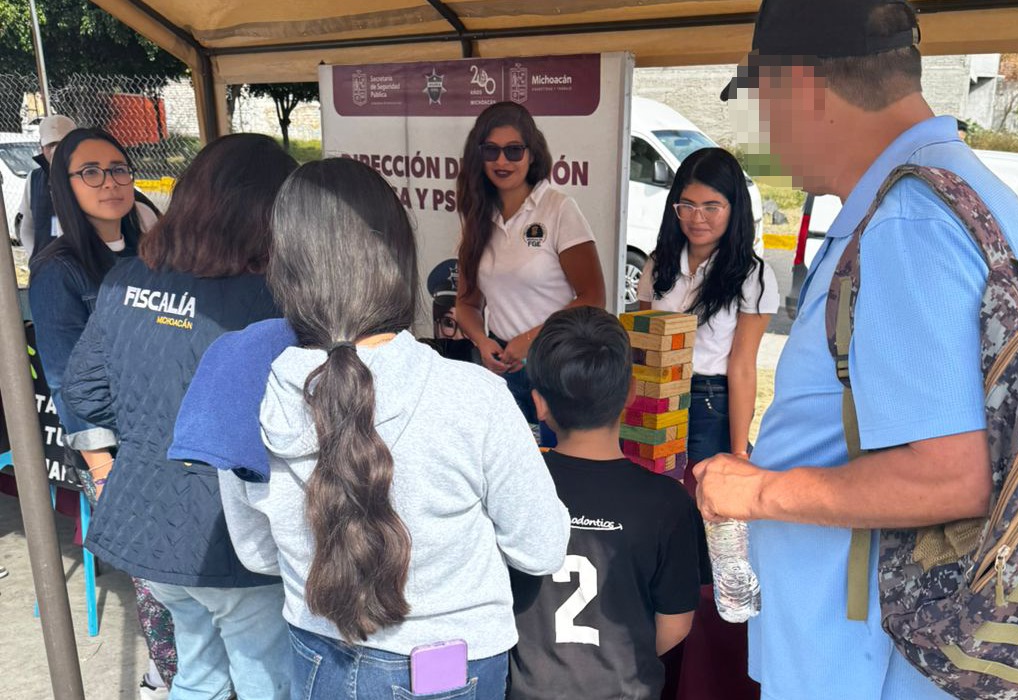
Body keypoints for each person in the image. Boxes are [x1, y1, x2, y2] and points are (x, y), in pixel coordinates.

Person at [695, 1, 1018, 699]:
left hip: (864, 657)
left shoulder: (909, 223)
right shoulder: (951, 194)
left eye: (762, 105)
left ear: (799, 88)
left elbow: (953, 474)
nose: (764, 135)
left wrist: (756, 490)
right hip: (873, 643)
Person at [214, 158, 569, 700]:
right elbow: (540, 549)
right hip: (451, 665)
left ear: (283, 266)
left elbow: (257, 554)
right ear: (398, 256)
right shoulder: (474, 396)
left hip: (317, 652)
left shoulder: (244, 392)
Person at [62, 133, 298, 700]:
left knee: (196, 676)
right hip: (234, 536)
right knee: (266, 680)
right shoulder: (270, 299)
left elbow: (81, 392)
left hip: (147, 527)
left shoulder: (125, 281)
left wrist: (122, 457)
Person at [26, 127, 176, 698]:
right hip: (115, 449)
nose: (109, 182)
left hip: (167, 431)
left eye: (117, 168)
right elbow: (64, 377)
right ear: (64, 186)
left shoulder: (154, 248)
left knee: (185, 571)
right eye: (90, 172)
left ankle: (201, 672)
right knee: (156, 576)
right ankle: (168, 677)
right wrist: (103, 466)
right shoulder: (58, 270)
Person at [509, 306, 702, 700]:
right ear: (631, 392)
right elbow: (676, 625)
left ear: (538, 403)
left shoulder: (513, 488)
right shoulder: (668, 502)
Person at [454, 101, 606, 441]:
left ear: (532, 154)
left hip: (558, 367)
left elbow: (593, 298)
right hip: (503, 370)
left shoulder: (558, 208)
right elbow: (465, 305)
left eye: (513, 150)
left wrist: (529, 340)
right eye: (491, 151)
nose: (502, 161)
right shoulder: (477, 218)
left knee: (557, 479)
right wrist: (483, 342)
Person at [637, 147, 779, 471]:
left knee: (701, 499)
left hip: (709, 399)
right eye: (686, 206)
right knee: (656, 490)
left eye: (711, 207)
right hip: (658, 392)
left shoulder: (752, 276)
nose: (696, 218)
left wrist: (739, 451)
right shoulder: (658, 265)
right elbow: (643, 344)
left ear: (734, 209)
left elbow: (743, 367)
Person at [18, 115, 76, 258]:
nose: (56, 150)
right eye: (50, 145)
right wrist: (36, 256)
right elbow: (27, 226)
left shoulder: (90, 176)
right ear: (41, 147)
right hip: (46, 266)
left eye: (62, 144)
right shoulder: (34, 178)